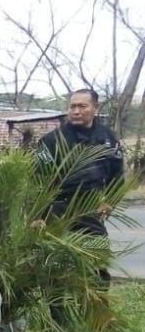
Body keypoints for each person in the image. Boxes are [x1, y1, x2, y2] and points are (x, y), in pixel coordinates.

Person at [37, 88, 125, 238]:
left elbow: (117, 176)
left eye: (82, 106)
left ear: (95, 108)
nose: (76, 111)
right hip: (55, 211)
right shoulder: (52, 140)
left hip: (90, 209)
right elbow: (37, 179)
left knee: (97, 255)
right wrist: (37, 215)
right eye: (72, 107)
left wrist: (110, 202)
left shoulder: (108, 138)